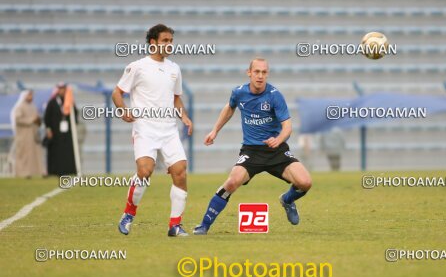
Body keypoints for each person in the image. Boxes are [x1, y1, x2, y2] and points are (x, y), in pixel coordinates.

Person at [193, 58, 312, 235]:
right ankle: (204, 225)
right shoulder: (239, 93)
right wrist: (214, 131)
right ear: (249, 73)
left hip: (276, 149)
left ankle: (287, 200)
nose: (260, 76)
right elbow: (230, 107)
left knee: (305, 183)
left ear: (267, 74)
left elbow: (288, 126)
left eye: (264, 72)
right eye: (256, 72)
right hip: (252, 151)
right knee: (232, 182)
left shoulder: (274, 95)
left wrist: (278, 140)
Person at [112, 23, 193, 237]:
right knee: (145, 171)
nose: (169, 45)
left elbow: (176, 99)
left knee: (180, 172)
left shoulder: (174, 69)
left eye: (171, 41)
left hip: (169, 130)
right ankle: (129, 214)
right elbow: (117, 93)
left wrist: (184, 116)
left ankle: (175, 225)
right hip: (145, 129)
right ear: (153, 42)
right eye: (165, 41)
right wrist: (123, 110)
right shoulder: (137, 66)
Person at [44, 83, 78, 176]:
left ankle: (68, 170)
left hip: (66, 133)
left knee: (67, 151)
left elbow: (74, 115)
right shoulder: (52, 102)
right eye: (60, 89)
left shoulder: (69, 101)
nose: (62, 91)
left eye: (63, 89)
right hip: (55, 132)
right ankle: (54, 171)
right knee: (55, 151)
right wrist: (48, 129)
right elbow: (47, 117)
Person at [10, 90, 45, 178]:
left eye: (31, 95)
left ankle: (38, 172)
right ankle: (23, 173)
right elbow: (17, 120)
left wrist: (38, 121)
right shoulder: (19, 107)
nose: (31, 97)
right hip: (23, 135)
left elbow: (36, 119)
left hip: (33, 135)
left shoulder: (33, 106)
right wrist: (31, 120)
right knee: (24, 155)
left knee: (36, 154)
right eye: (29, 95)